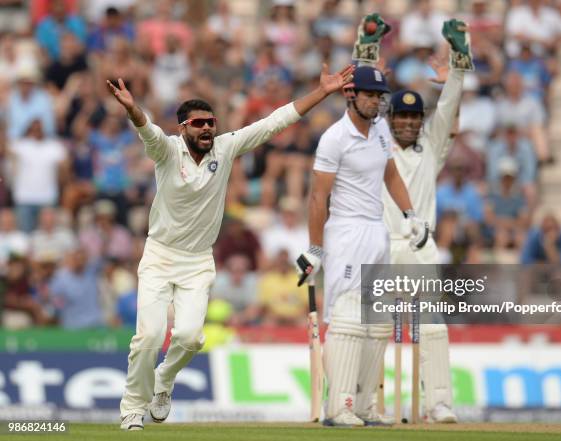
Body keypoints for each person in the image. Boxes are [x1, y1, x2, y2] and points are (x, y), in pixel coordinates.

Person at [107, 62, 355, 431]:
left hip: (197, 260)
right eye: (198, 123)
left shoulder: (226, 147)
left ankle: (164, 381)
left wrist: (322, 92)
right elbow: (148, 131)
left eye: (211, 122)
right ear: (183, 128)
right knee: (148, 337)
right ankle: (132, 407)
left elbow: (274, 122)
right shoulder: (167, 151)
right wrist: (131, 108)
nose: (207, 127)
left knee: (190, 338)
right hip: (159, 256)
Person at [296, 65, 429, 427]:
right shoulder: (334, 138)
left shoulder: (382, 130)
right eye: (369, 94)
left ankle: (366, 405)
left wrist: (410, 214)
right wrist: (316, 249)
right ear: (350, 95)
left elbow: (390, 175)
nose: (375, 101)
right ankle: (339, 406)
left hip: (376, 232)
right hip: (346, 232)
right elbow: (317, 198)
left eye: (379, 95)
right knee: (349, 317)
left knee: (378, 322)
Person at [381, 19, 471, 423]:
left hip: (421, 246)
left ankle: (438, 403)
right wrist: (366, 48)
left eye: (414, 118)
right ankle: (363, 403)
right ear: (390, 120)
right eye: (400, 117)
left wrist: (458, 58)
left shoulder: (431, 148)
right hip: (381, 246)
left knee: (432, 328)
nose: (407, 123)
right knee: (371, 331)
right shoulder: (375, 144)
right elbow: (356, 104)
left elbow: (449, 103)